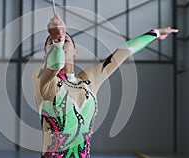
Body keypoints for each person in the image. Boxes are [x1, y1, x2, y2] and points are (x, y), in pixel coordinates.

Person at [32, 13, 178, 158]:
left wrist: (156, 33)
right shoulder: (41, 80)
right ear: (45, 55)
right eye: (50, 43)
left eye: (66, 41)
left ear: (75, 52)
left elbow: (123, 52)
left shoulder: (87, 82)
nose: (61, 43)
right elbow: (55, 64)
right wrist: (57, 40)